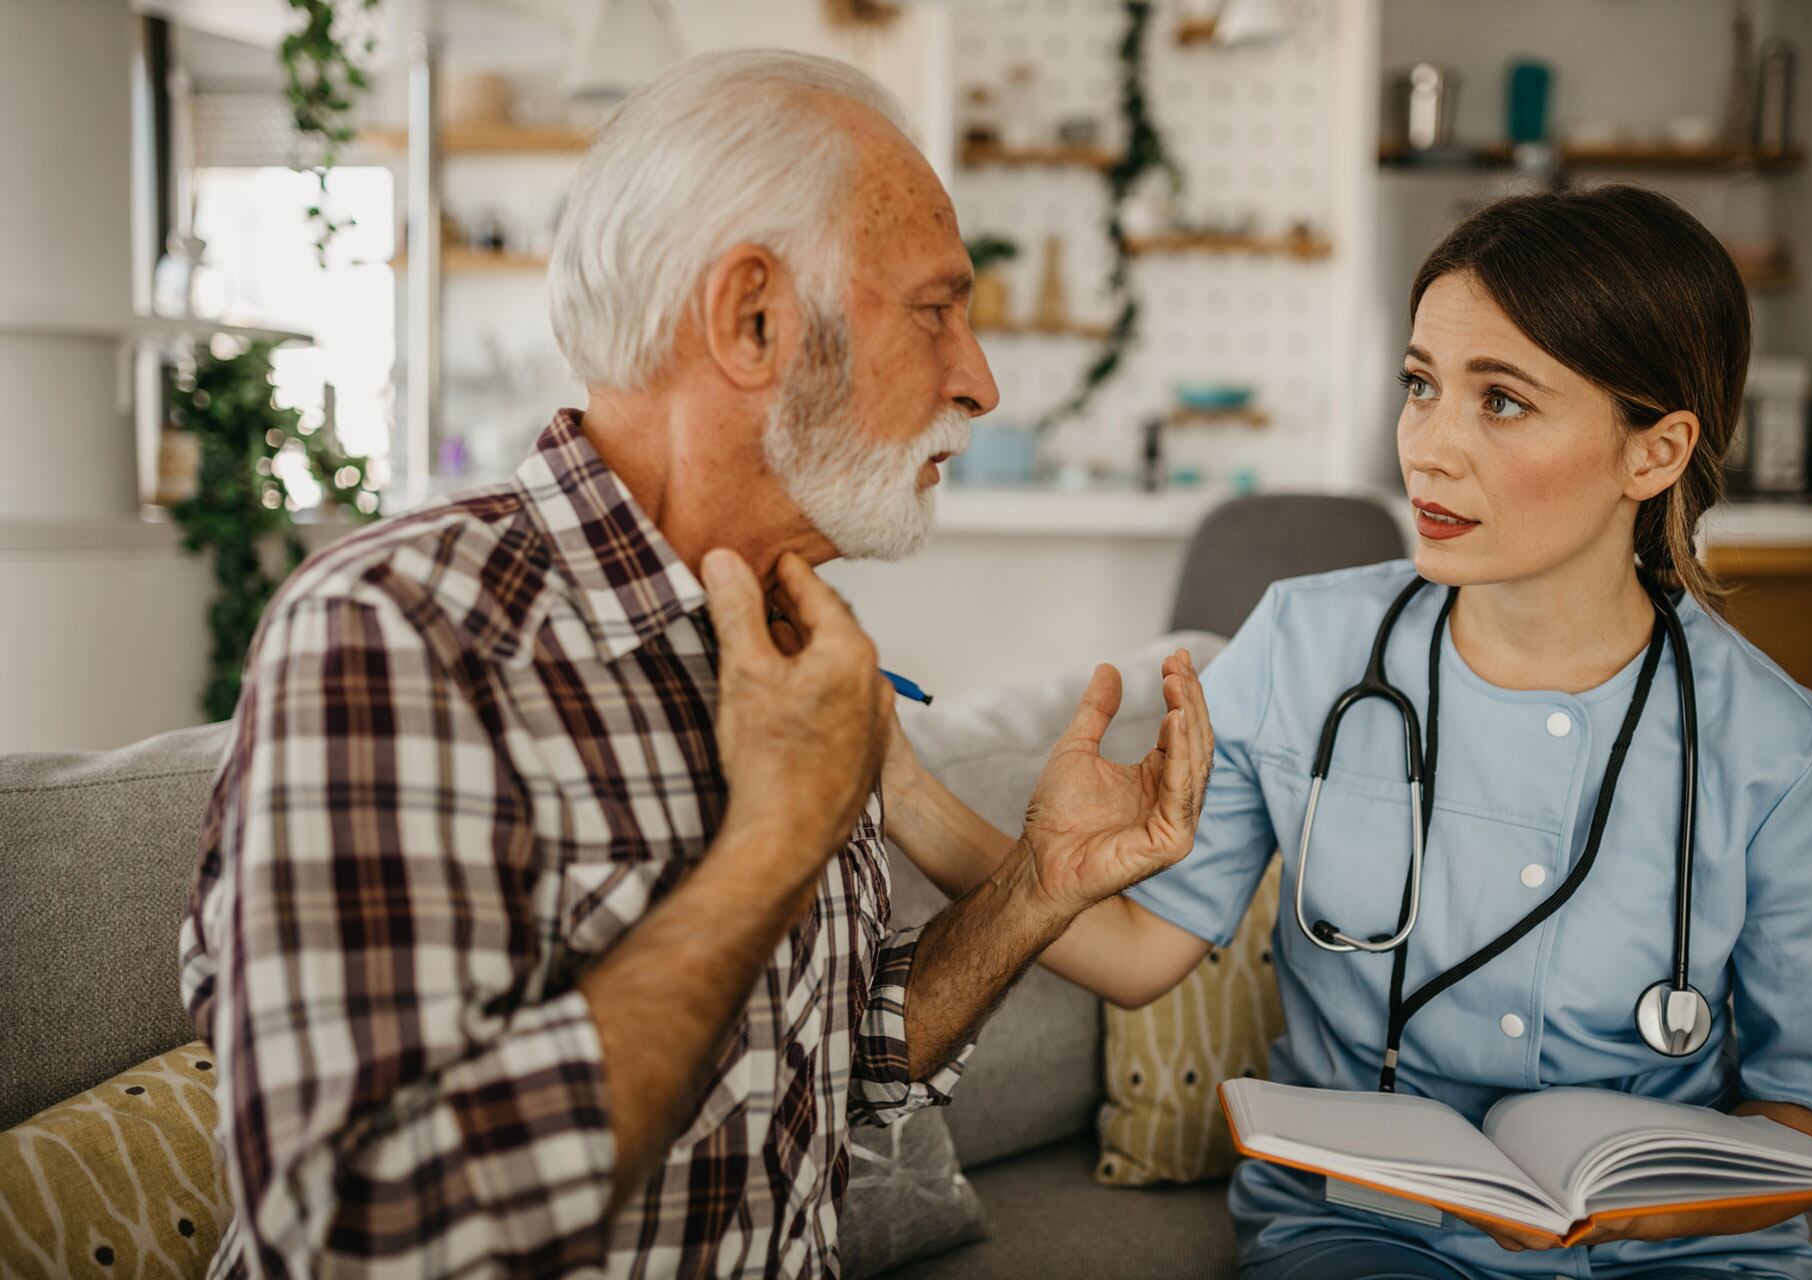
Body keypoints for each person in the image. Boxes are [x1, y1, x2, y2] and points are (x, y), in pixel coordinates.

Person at [178, 50, 1214, 1278]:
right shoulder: (399, 632)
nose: (979, 380)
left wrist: (1037, 886)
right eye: (936, 309)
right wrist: (773, 843)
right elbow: (364, 1230)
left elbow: (838, 1056)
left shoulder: (794, 633)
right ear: (753, 318)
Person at [886, 185, 1812, 1279]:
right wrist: (900, 783)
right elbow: (1139, 958)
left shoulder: (1788, 754)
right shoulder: (1302, 645)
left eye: (1501, 400)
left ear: (1653, 454)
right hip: (1365, 1231)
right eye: (1421, 385)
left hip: (1672, 1260)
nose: (1428, 446)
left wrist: (1658, 1217)